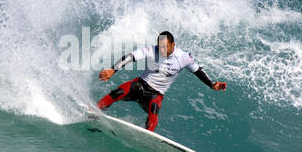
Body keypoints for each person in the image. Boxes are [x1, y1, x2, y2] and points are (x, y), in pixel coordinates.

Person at [97, 31, 227, 132]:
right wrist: (113, 70)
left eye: (166, 47)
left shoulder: (183, 58)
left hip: (155, 94)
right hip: (140, 85)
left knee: (154, 108)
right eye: (160, 47)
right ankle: (95, 112)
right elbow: (130, 57)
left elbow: (198, 71)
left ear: (173, 45)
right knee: (118, 92)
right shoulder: (151, 50)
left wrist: (211, 84)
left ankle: (148, 136)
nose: (162, 50)